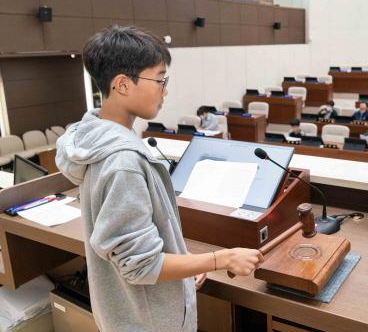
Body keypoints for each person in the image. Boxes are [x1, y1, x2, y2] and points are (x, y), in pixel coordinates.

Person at [55, 26, 263, 332]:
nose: (165, 91)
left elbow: (141, 248)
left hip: (128, 314)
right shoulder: (123, 161)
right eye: (160, 80)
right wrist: (223, 259)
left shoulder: (93, 138)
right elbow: (142, 264)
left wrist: (183, 261)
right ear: (123, 85)